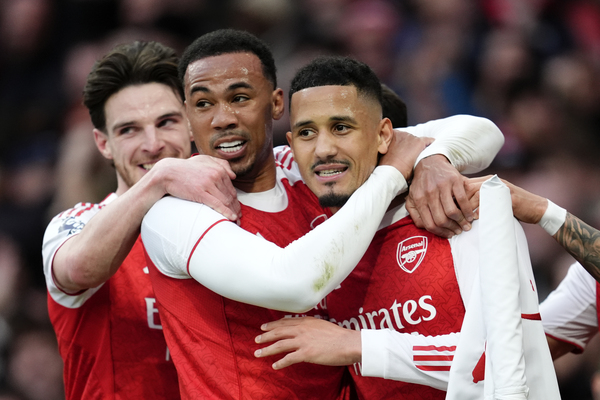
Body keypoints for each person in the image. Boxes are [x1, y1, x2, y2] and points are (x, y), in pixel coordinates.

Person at [140, 29, 504, 399]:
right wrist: (393, 172)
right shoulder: (173, 215)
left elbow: (482, 131)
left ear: (276, 104)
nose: (223, 119)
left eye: (240, 98)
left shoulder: (310, 166)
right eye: (203, 104)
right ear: (187, 118)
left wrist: (433, 159)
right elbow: (293, 286)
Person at [252, 56, 559, 400]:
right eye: (307, 133)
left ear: (384, 136)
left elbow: (506, 358)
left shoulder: (461, 212)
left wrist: (360, 345)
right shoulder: (312, 231)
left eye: (342, 128)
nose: (323, 149)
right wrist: (195, 170)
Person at [41, 41, 240, 399]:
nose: (153, 144)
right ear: (103, 143)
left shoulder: (233, 214)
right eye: (129, 130)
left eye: (166, 122)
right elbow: (80, 269)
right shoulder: (76, 224)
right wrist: (161, 178)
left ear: (191, 124)